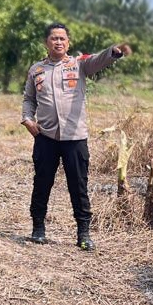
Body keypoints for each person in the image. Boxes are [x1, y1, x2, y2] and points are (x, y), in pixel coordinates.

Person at [21, 22, 131, 250]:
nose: (58, 42)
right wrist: (28, 119)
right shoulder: (36, 69)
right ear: (46, 42)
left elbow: (98, 60)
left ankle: (83, 233)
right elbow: (29, 99)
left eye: (62, 39)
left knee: (78, 186)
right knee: (42, 183)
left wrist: (114, 52)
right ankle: (38, 229)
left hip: (75, 138)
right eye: (54, 38)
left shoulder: (78, 65)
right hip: (46, 137)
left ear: (68, 43)